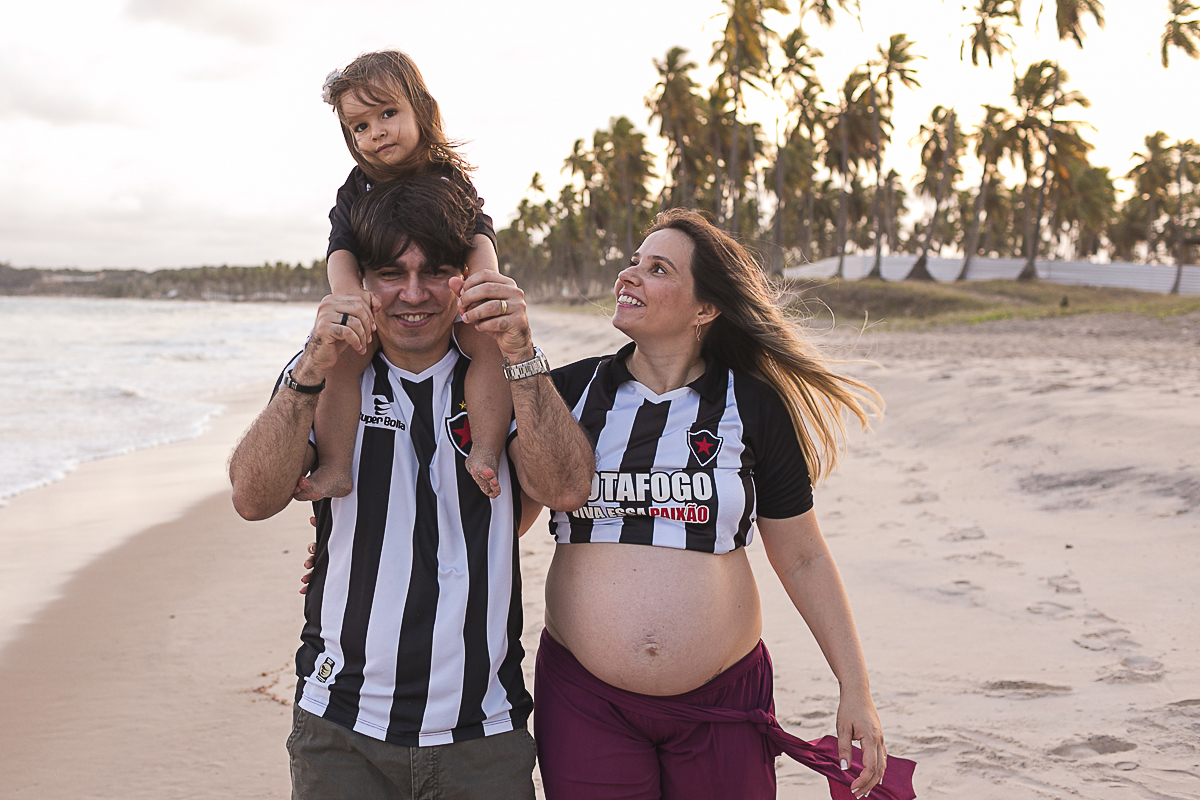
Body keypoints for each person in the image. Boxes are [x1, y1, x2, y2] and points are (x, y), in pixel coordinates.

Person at [229, 173, 594, 800]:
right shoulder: (326, 373)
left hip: (481, 731)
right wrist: (310, 367)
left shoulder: (504, 373)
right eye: (391, 274)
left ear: (467, 277)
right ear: (360, 282)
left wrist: (523, 350)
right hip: (341, 727)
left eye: (436, 271)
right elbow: (252, 497)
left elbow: (564, 489)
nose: (413, 294)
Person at [534, 210, 917, 800]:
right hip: (588, 700)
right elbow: (498, 527)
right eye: (633, 261)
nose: (628, 275)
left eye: (656, 269)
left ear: (705, 309)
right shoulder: (568, 394)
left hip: (722, 697)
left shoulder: (755, 407)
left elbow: (804, 558)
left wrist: (855, 689)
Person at [297, 49, 513, 502]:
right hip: (384, 310)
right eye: (360, 127)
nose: (376, 132)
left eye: (388, 113)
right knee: (342, 359)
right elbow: (340, 251)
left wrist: (484, 282)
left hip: (445, 301)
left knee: (489, 347)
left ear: (423, 110)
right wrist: (350, 297)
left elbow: (478, 232)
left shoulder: (448, 179)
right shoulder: (356, 188)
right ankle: (336, 464)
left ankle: (487, 451)